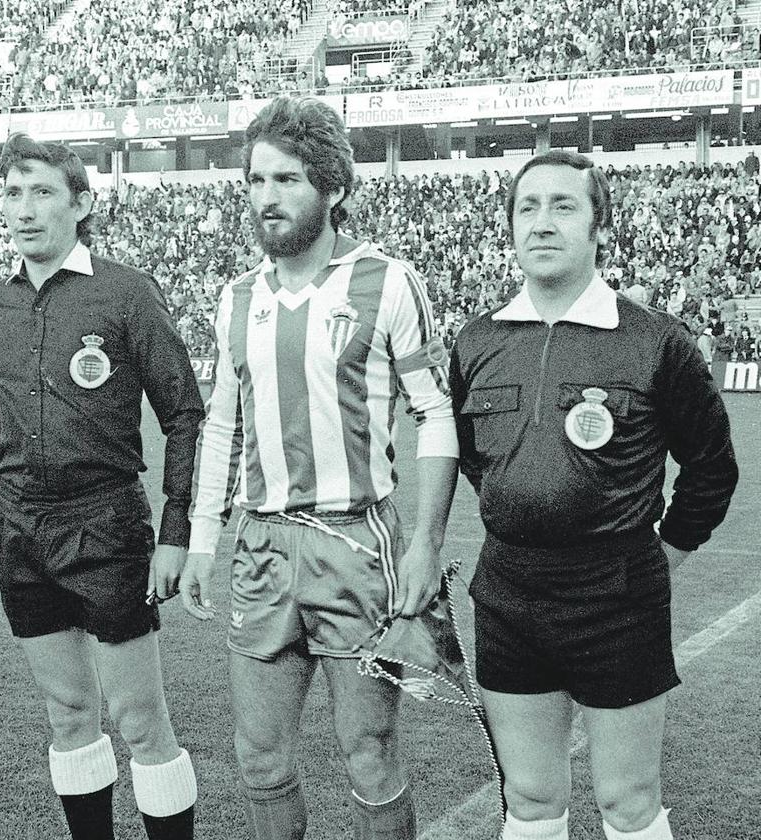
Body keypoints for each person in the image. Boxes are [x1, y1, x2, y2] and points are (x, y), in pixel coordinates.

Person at [181, 95, 460, 840]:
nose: (266, 198)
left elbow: (436, 413)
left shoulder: (387, 281)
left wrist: (426, 545)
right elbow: (221, 423)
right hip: (262, 549)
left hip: (357, 547)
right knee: (260, 757)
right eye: (256, 180)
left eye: (287, 180)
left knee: (367, 752)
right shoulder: (236, 299)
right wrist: (203, 536)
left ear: (333, 187)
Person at [449, 149, 738, 840]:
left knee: (630, 804)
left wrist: (660, 557)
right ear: (511, 227)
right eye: (527, 207)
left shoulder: (655, 339)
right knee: (531, 800)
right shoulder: (477, 340)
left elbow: (711, 468)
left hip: (618, 597)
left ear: (600, 228)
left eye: (563, 206)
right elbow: (474, 459)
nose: (542, 223)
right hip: (509, 593)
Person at [0, 133, 204, 840]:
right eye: (12, 193)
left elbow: (183, 411)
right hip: (21, 532)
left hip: (106, 526)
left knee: (139, 720)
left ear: (81, 202)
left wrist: (176, 531)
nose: (24, 209)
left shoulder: (125, 292)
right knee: (68, 715)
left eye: (42, 193)